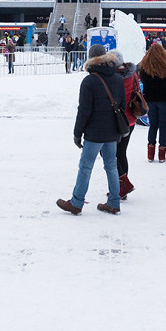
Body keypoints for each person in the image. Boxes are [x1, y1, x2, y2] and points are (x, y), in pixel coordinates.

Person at [56, 45, 125, 216]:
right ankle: (114, 202)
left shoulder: (89, 81)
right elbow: (122, 105)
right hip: (112, 132)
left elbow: (84, 111)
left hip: (95, 133)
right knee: (111, 166)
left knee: (85, 167)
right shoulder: (117, 78)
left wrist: (77, 133)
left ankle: (76, 202)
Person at [138, 42, 166, 163]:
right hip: (165, 99)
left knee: (153, 126)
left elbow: (141, 79)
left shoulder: (145, 67)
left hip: (151, 99)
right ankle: (162, 154)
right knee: (163, 126)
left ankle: (150, 153)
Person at [112, 49, 139, 200]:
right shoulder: (133, 73)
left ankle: (123, 185)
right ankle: (123, 188)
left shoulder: (114, 78)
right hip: (131, 120)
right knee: (122, 152)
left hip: (118, 122)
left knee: (111, 154)